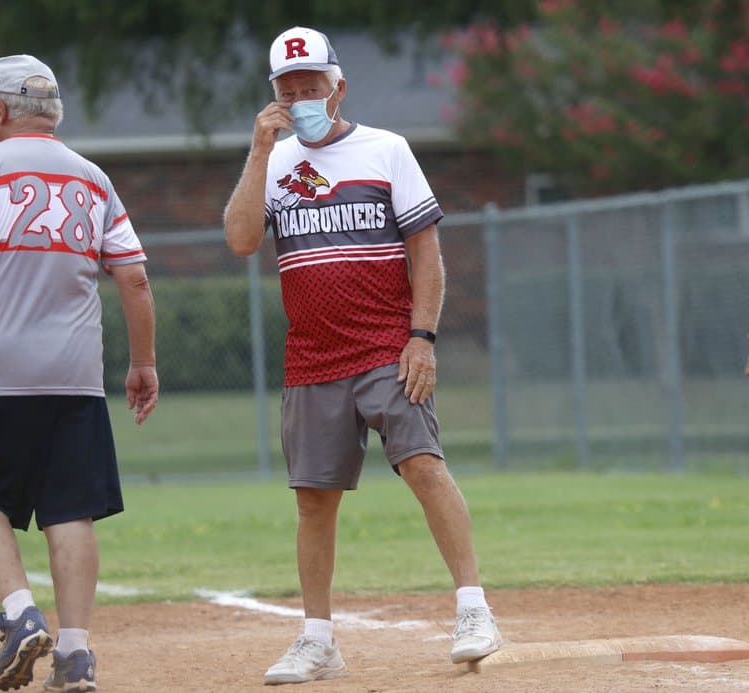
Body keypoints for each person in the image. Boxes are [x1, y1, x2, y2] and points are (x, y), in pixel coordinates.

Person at [223, 27, 501, 685]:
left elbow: (426, 254)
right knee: (313, 500)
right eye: (289, 92)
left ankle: (473, 610)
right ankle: (318, 639)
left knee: (425, 467)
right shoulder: (277, 160)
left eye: (312, 87)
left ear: (338, 86)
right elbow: (239, 239)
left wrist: (422, 337)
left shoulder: (387, 150)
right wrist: (260, 150)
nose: (302, 99)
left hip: (387, 348)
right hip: (313, 356)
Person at [0, 54, 158, 692]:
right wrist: (143, 364)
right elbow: (134, 277)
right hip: (77, 375)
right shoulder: (93, 178)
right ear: (53, 112)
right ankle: (76, 655)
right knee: (69, 509)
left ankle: (22, 616)